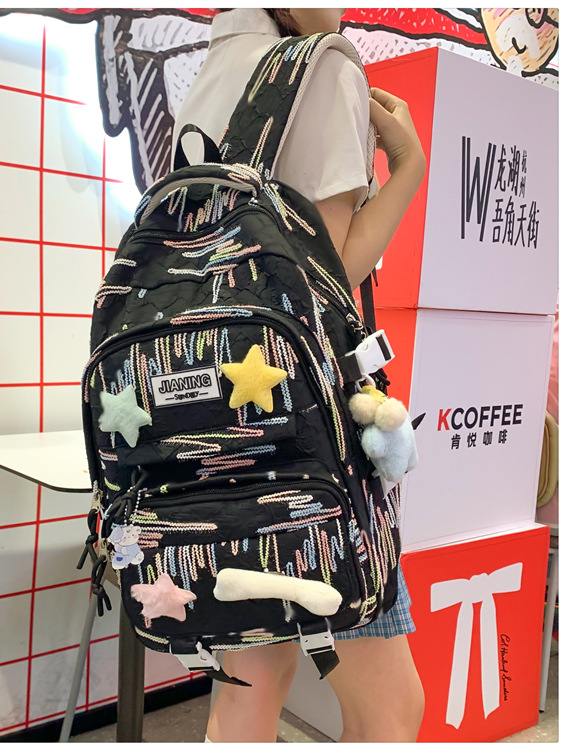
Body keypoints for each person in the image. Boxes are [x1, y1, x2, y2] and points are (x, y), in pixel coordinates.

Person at [171, 8, 426, 743]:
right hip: (306, 449)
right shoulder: (324, 66)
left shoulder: (213, 66)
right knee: (389, 709)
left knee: (250, 691)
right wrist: (408, 168)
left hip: (212, 438)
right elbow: (327, 281)